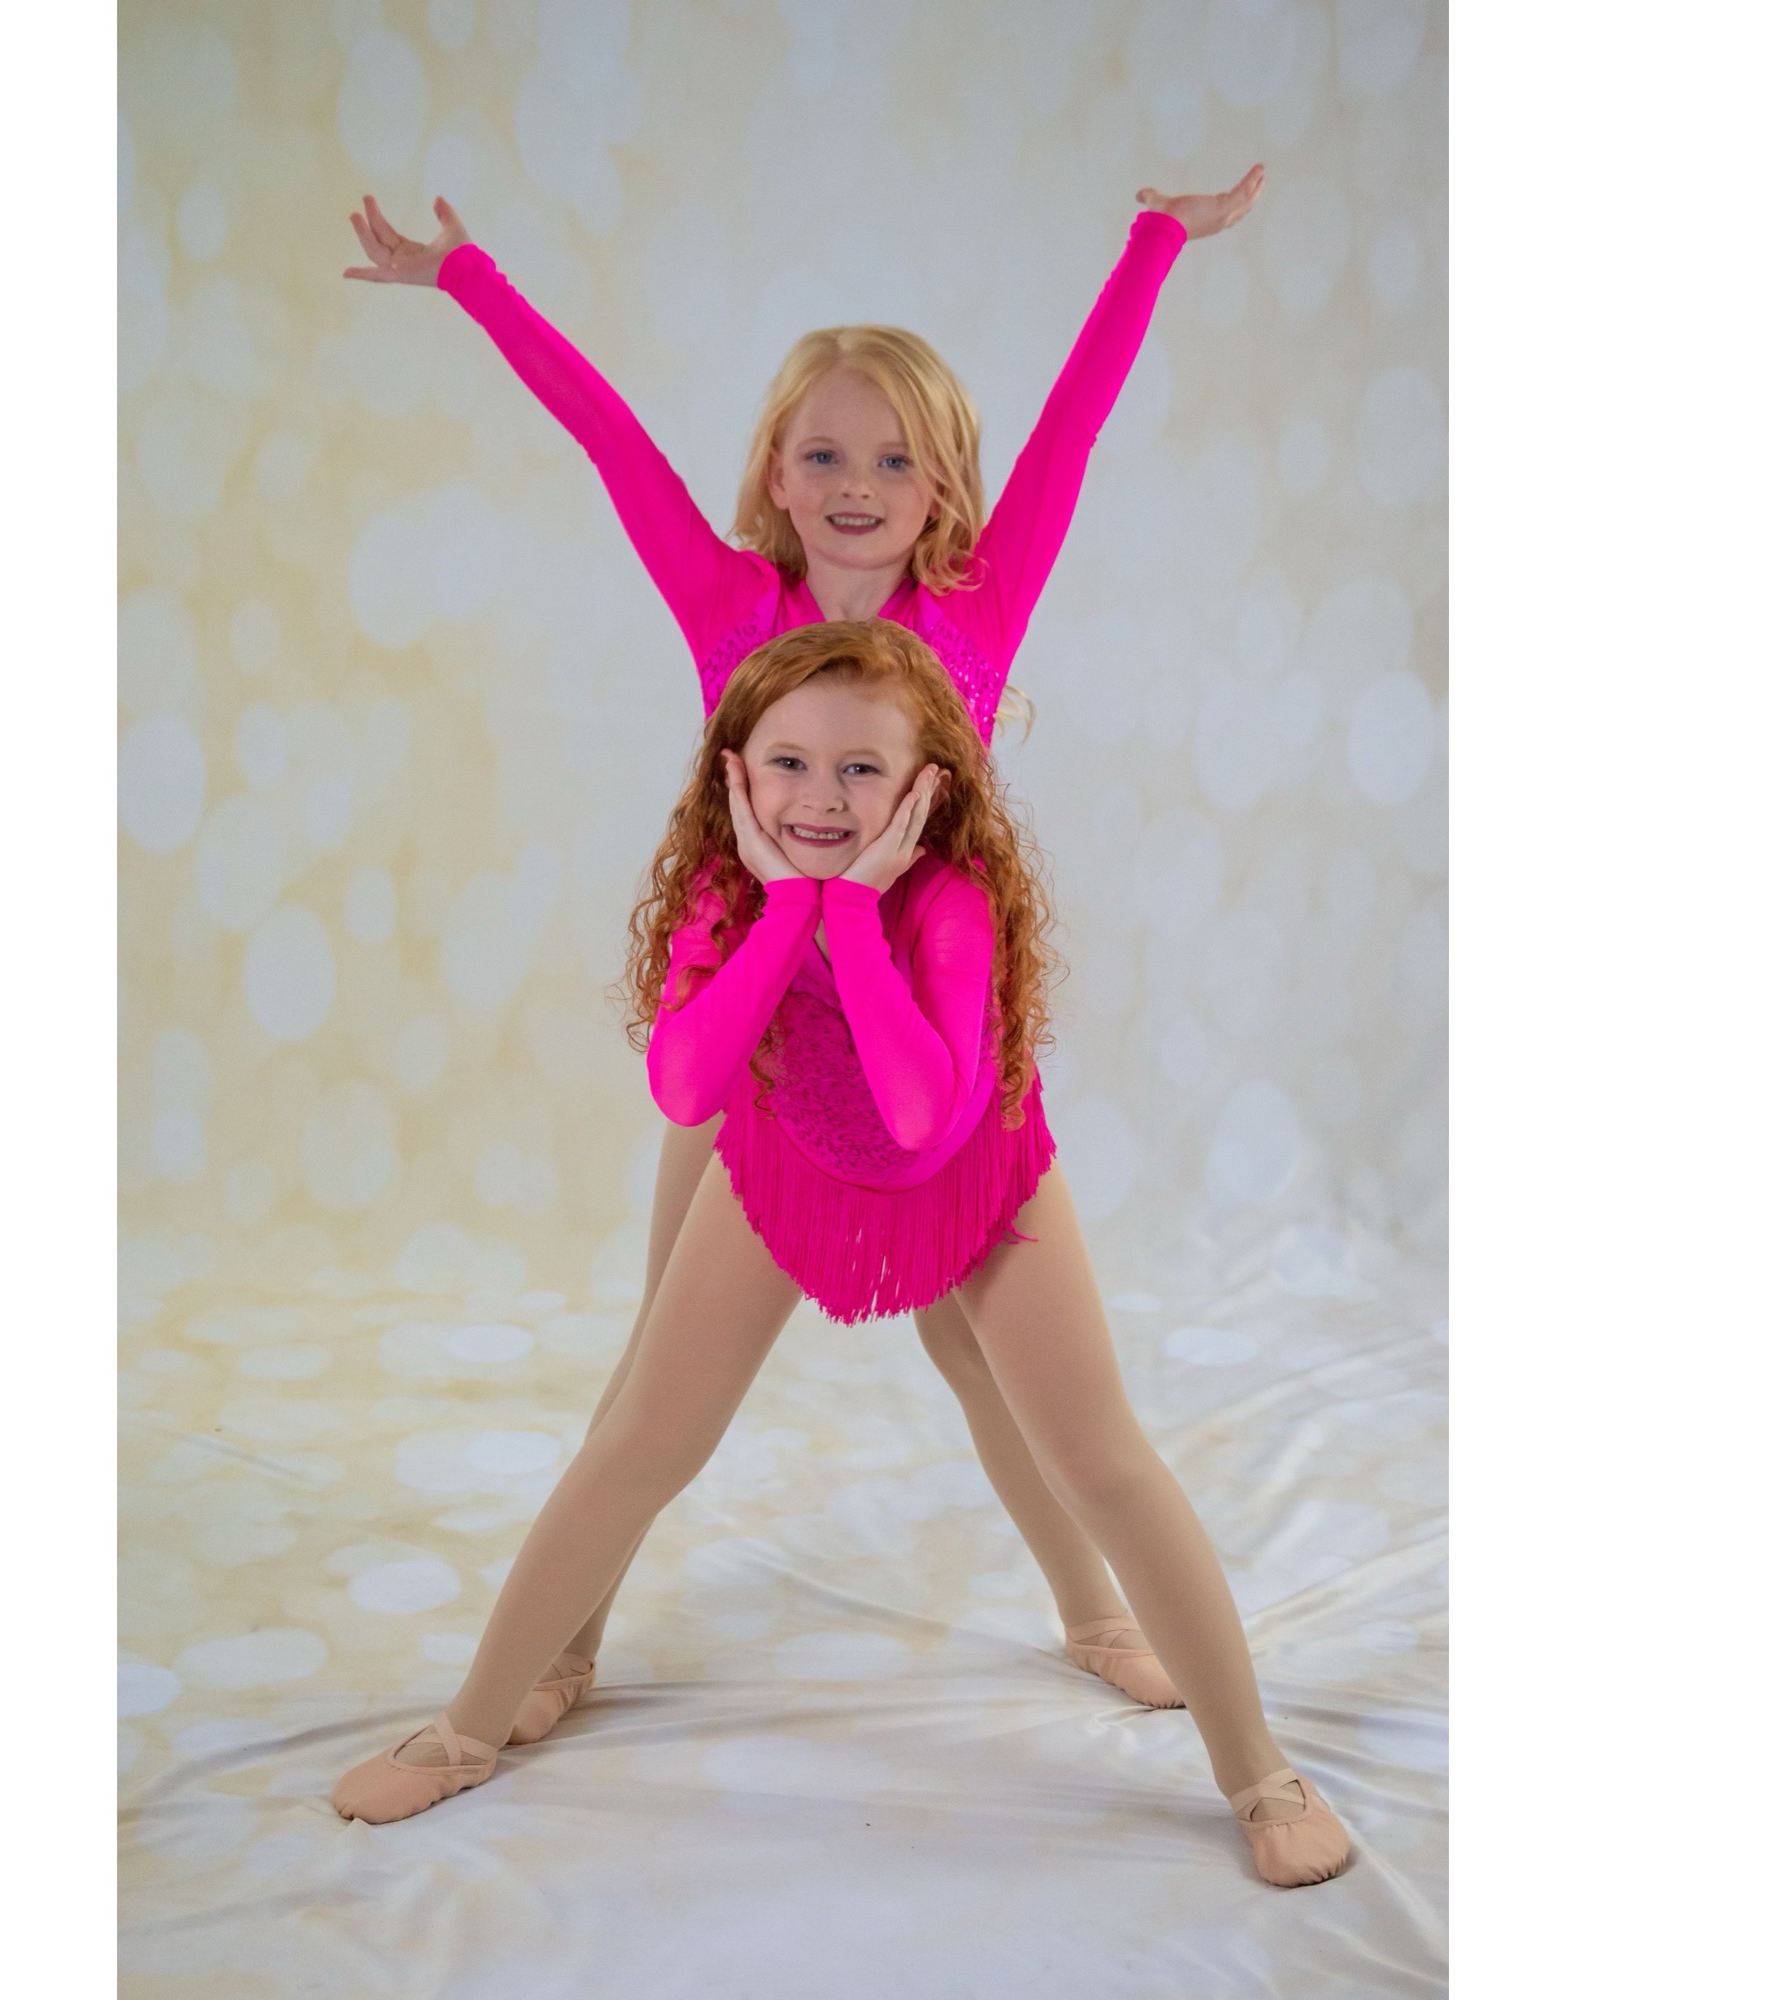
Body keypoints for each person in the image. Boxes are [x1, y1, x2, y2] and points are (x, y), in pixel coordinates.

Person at [340, 165, 1263, 1734]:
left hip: (928, 1039)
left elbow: (1075, 430)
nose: (856, 483)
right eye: (824, 452)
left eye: (895, 459)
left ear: (942, 488)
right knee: (659, 1373)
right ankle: (563, 1651)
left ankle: (1095, 1612)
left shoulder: (978, 611)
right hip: (755, 1018)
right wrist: (471, 282)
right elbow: (610, 441)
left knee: (985, 1362)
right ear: (774, 472)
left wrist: (1154, 243)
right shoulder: (726, 597)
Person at [332, 622, 1349, 1888]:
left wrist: (852, 912)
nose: (821, 798)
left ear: (926, 787)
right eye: (789, 763)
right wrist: (783, 910)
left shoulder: (951, 899)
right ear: (734, 772)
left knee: (1095, 1455)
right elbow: (685, 1082)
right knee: (645, 1435)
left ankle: (1255, 1767)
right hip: (789, 1165)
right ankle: (464, 1728)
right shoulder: (727, 894)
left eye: (862, 768)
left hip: (976, 1176)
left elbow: (920, 1113)